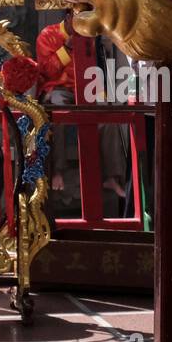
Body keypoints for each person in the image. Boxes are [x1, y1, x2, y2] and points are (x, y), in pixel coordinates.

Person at [36, 11, 128, 217]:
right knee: (60, 111)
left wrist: (103, 95)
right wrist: (67, 47)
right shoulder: (48, 35)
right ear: (68, 18)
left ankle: (113, 176)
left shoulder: (90, 37)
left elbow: (98, 70)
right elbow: (46, 71)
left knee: (108, 115)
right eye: (78, 18)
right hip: (58, 89)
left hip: (87, 90)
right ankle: (57, 171)